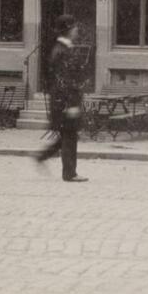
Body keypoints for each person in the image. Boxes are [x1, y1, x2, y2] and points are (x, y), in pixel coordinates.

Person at [33, 15, 87, 182]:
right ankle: (69, 173)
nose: (77, 30)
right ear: (68, 30)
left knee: (66, 134)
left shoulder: (62, 48)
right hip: (64, 101)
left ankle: (41, 157)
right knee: (69, 135)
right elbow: (64, 80)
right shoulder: (62, 50)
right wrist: (71, 104)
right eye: (75, 27)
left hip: (62, 100)